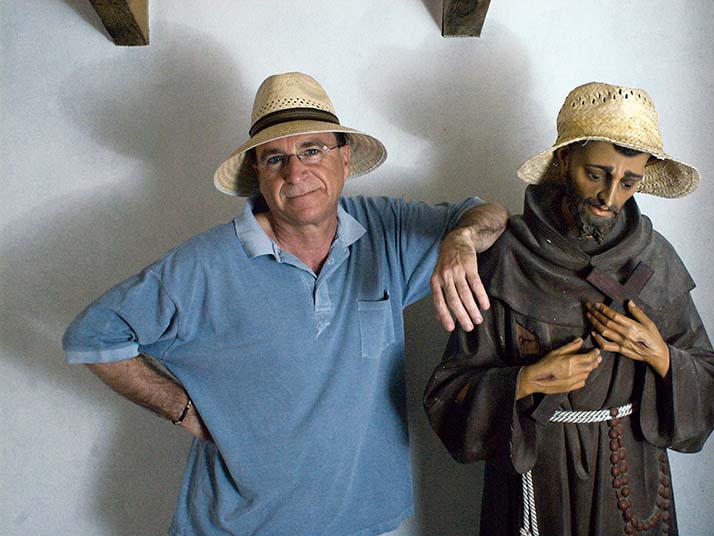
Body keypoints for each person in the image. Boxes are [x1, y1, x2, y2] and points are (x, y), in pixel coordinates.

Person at [63, 72, 508, 536]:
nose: (295, 173)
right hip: (238, 528)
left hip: (359, 523)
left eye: (312, 150)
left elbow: (490, 215)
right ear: (258, 173)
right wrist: (182, 409)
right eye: (275, 158)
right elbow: (92, 337)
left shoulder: (386, 229)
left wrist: (461, 238)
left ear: (344, 157)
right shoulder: (204, 266)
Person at [424, 82, 714, 535]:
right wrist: (524, 381)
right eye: (596, 174)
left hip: (630, 479)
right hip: (536, 481)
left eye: (629, 182)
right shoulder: (508, 257)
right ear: (565, 160)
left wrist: (662, 357)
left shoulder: (656, 259)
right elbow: (448, 394)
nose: (610, 197)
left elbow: (713, 383)